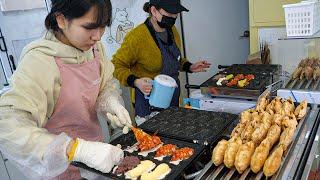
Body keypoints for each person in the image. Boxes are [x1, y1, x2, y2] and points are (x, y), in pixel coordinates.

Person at [0, 0, 132, 179]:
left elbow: (105, 83)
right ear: (61, 20)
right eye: (90, 27)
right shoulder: (40, 62)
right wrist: (75, 149)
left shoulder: (94, 50)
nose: (98, 36)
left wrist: (110, 100)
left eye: (103, 27)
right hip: (59, 169)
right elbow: (7, 124)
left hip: (97, 162)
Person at [112, 0, 211, 119]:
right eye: (170, 13)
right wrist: (136, 81)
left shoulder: (172, 30)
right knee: (151, 136)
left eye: (176, 14)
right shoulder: (137, 37)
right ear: (154, 11)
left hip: (172, 96)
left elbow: (173, 59)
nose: (174, 17)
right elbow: (117, 65)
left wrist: (189, 66)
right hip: (148, 101)